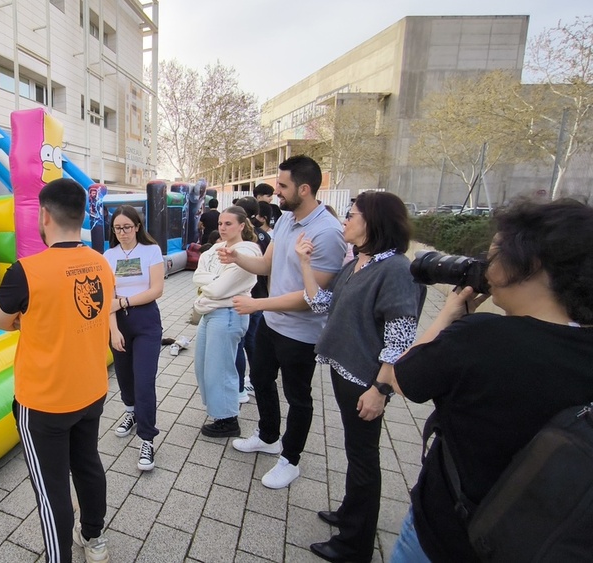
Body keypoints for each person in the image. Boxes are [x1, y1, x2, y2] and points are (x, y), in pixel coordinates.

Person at [386, 198, 593, 563]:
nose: (486, 266)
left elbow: (401, 376)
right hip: (533, 542)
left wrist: (449, 315)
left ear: (531, 264)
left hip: (445, 536)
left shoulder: (480, 336)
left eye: (495, 255)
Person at [0, 178, 113, 563]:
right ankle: (93, 539)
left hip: (44, 401)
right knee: (88, 465)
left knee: (52, 490)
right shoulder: (100, 262)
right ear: (81, 215)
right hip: (91, 390)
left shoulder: (27, 270)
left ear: (44, 216)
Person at [297, 192, 423, 563]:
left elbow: (400, 337)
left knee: (364, 458)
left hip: (367, 381)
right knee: (355, 452)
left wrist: (380, 389)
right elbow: (321, 303)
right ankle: (351, 512)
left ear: (373, 222)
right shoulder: (359, 263)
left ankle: (355, 544)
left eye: (351, 215)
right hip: (344, 371)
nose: (344, 222)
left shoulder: (397, 269)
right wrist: (305, 263)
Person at [222, 155, 346, 489]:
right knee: (261, 379)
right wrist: (237, 257)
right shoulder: (287, 220)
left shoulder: (328, 233)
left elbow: (312, 297)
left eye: (282, 186)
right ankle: (267, 435)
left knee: (298, 397)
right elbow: (265, 266)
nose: (276, 191)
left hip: (301, 334)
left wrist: (257, 304)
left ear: (304, 189)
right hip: (272, 325)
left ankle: (290, 459)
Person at [104, 205, 164, 470]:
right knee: (124, 377)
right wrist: (113, 329)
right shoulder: (108, 255)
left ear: (138, 226)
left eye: (127, 227)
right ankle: (131, 412)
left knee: (144, 381)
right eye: (118, 228)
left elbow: (156, 290)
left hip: (146, 322)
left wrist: (124, 301)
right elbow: (107, 298)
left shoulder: (151, 251)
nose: (123, 232)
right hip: (118, 324)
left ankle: (148, 438)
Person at [193, 206, 262, 438]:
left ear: (242, 226)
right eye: (220, 223)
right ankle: (220, 412)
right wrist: (215, 280)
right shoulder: (215, 248)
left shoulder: (249, 253)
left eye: (228, 224)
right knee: (205, 367)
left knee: (221, 368)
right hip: (210, 312)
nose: (222, 228)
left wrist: (211, 283)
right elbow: (197, 276)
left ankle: (228, 419)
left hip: (228, 314)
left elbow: (220, 288)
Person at [230, 196, 272, 403]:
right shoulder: (266, 236)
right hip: (261, 296)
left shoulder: (243, 240)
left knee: (240, 343)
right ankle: (256, 379)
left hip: (246, 297)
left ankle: (239, 388)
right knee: (252, 341)